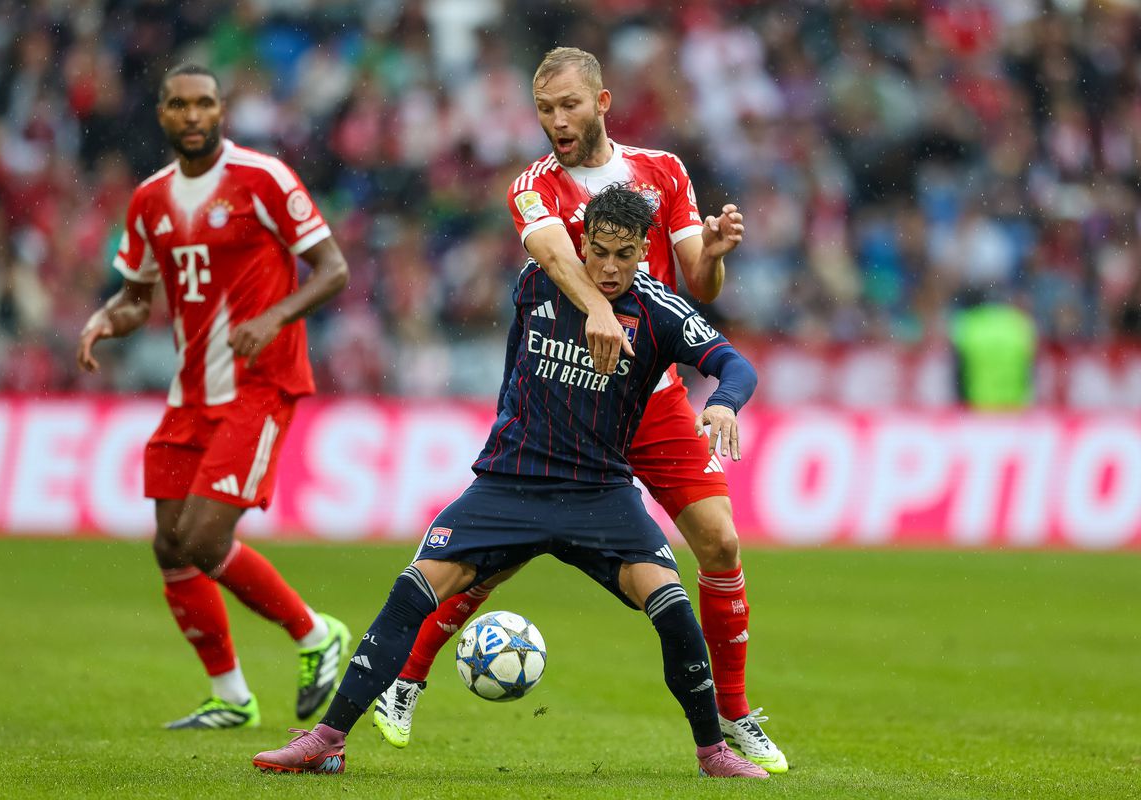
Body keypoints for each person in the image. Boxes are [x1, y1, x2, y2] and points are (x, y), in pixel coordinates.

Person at [252, 184, 766, 779]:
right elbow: (520, 334)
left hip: (599, 493)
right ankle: (327, 740)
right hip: (510, 483)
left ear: (643, 252)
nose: (609, 267)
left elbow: (736, 365)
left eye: (624, 255)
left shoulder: (659, 311)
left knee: (673, 609)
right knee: (411, 592)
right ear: (582, 243)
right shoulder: (537, 281)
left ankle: (713, 753)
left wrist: (723, 402)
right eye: (599, 251)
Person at [372, 47, 787, 773]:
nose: (557, 121)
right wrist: (598, 308)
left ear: (601, 103)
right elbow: (554, 257)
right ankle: (404, 681)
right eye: (544, 110)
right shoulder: (534, 185)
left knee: (721, 542)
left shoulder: (663, 171)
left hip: (650, 396)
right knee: (490, 560)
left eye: (568, 106)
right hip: (568, 399)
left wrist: (716, 254)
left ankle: (734, 711)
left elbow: (697, 284)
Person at [76, 64, 353, 729]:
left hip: (261, 382)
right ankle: (231, 696)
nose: (193, 114)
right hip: (193, 390)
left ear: (222, 109)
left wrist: (274, 317)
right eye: (179, 104)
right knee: (170, 545)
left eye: (204, 103)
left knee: (203, 538)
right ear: (162, 114)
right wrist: (105, 319)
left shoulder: (263, 178)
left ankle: (317, 634)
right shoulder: (149, 200)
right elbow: (137, 298)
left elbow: (334, 269)